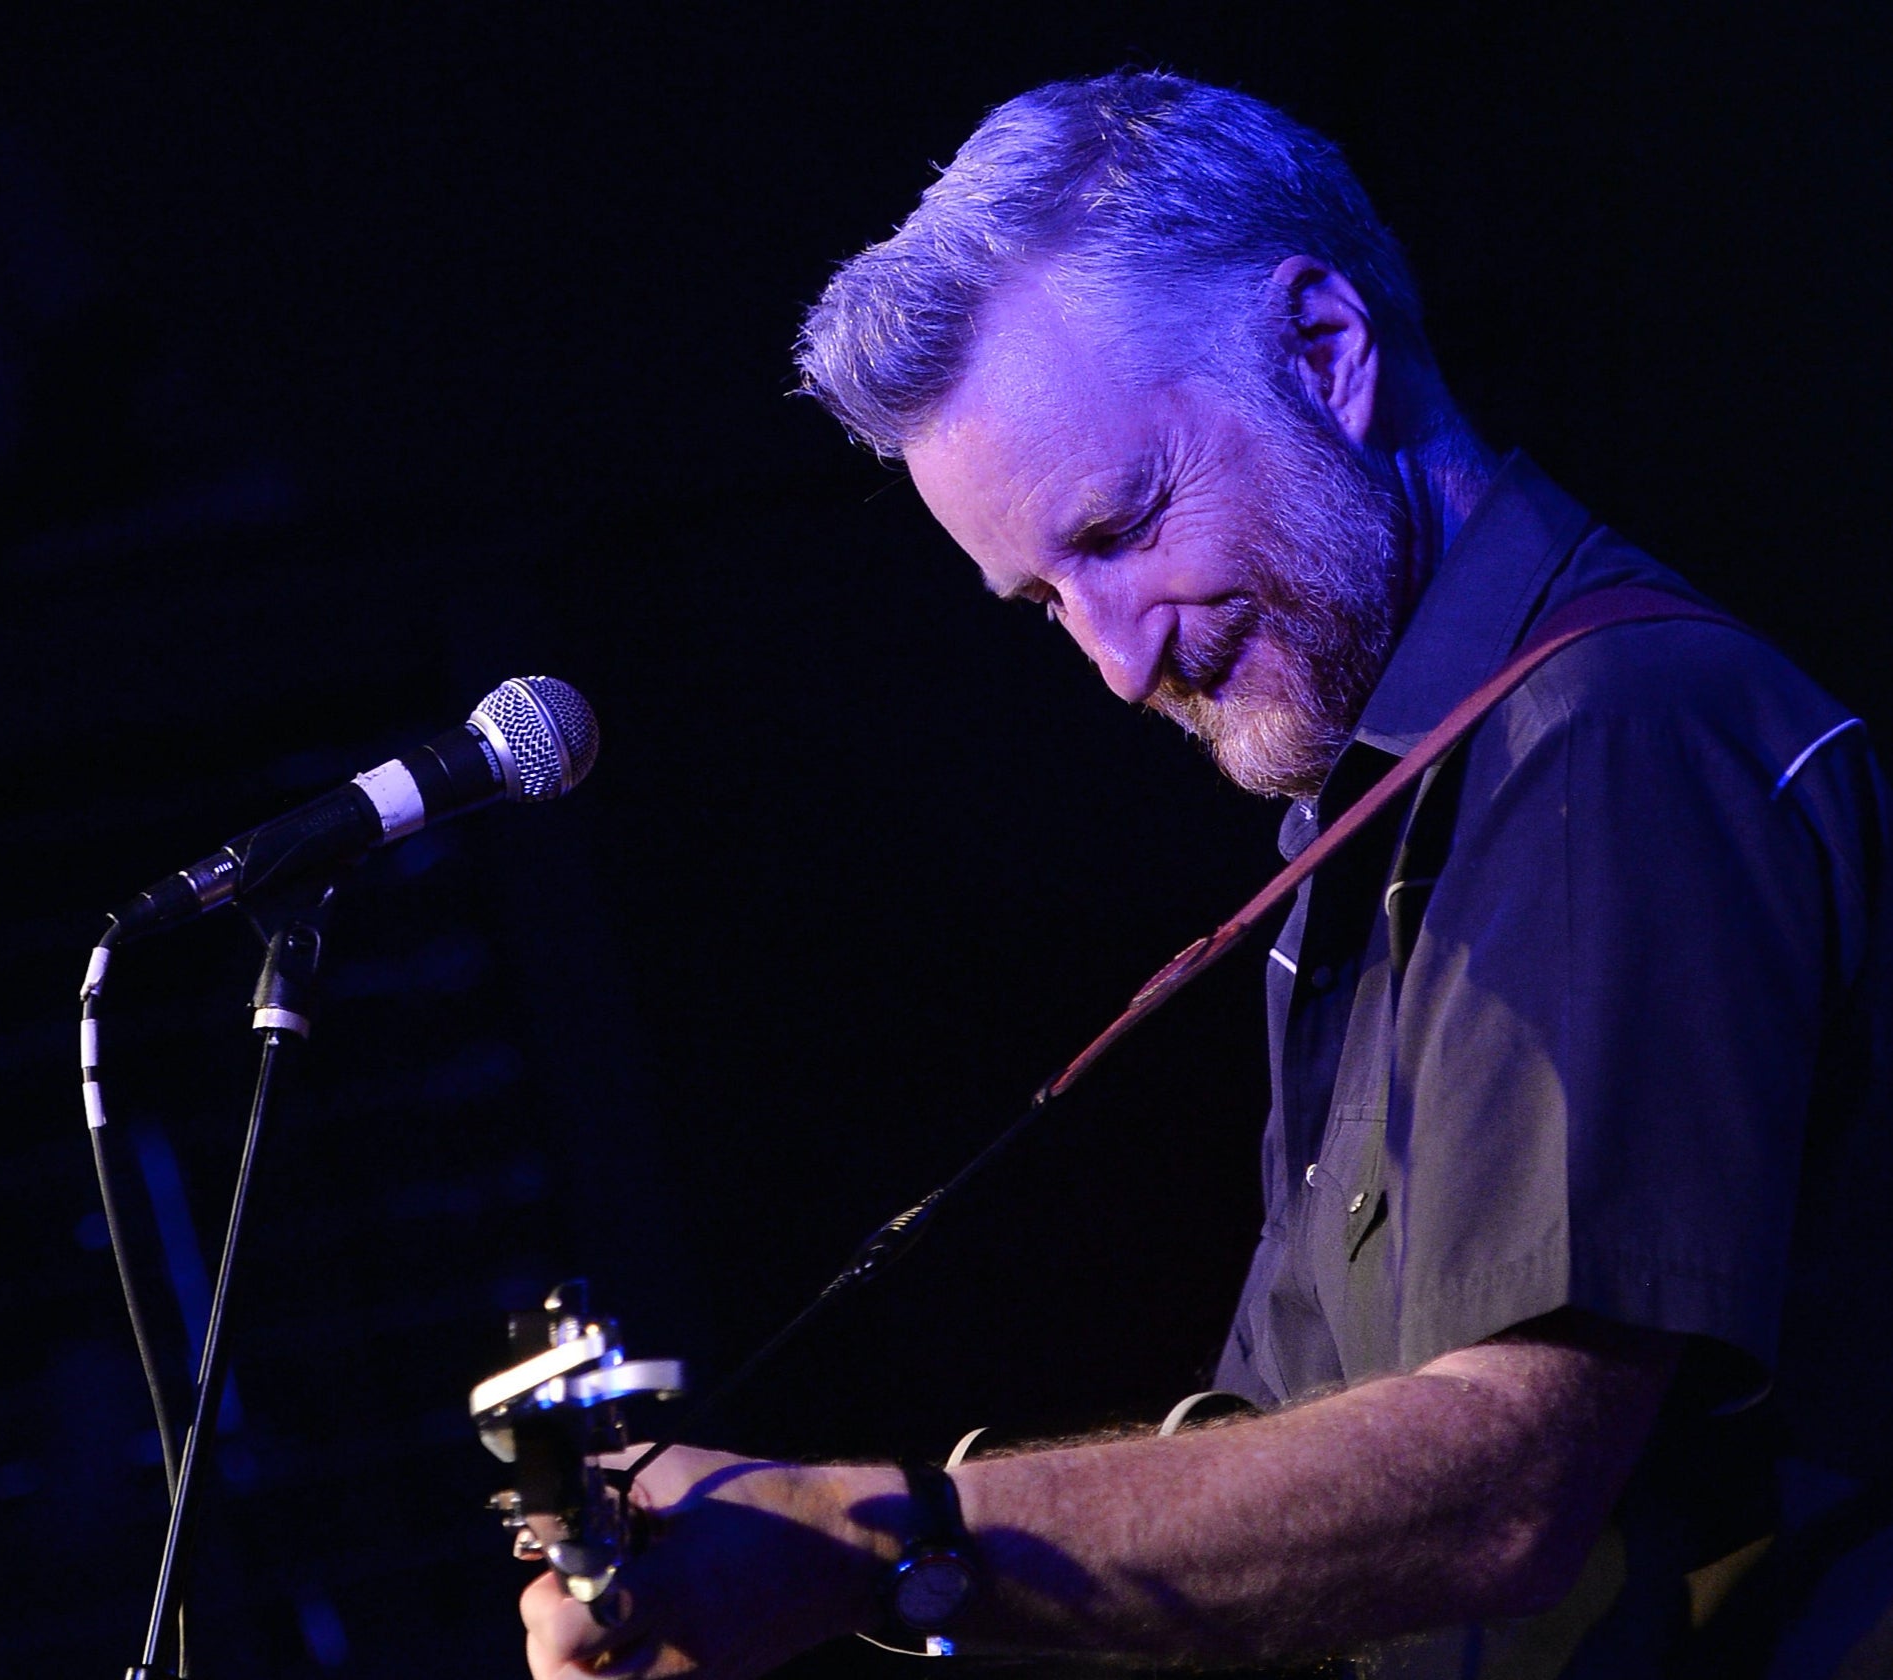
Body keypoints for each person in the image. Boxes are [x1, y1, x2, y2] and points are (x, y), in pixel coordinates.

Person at [520, 71, 1893, 1678]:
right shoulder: (1363, 844)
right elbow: (1292, 1492)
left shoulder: (1604, 742)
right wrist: (809, 1557)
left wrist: (879, 1541)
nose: (1112, 664)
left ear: (1324, 349)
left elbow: (1505, 1491)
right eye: (1043, 603)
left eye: (1116, 529)